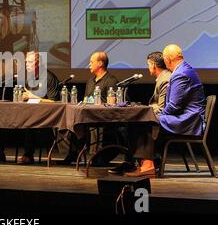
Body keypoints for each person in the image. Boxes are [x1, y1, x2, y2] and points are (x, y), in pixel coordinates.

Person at [125, 44, 205, 176]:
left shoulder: (181, 74)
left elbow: (174, 106)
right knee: (148, 119)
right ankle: (145, 163)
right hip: (186, 117)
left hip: (189, 121)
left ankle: (148, 165)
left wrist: (157, 115)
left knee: (149, 120)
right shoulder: (183, 70)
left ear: (168, 59)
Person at [0, 51, 60, 164]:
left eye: (29, 62)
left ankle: (28, 155)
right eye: (26, 62)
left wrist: (33, 97)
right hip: (27, 111)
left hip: (44, 116)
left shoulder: (49, 78)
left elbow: (55, 102)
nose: (26, 64)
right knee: (1, 118)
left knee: (29, 121)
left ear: (38, 63)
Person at [108, 51, 171, 175]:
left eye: (148, 64)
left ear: (153, 65)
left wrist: (146, 109)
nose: (148, 68)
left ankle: (143, 163)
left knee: (137, 124)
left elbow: (162, 107)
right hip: (160, 115)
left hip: (166, 119)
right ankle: (133, 162)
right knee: (128, 125)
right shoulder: (162, 77)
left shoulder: (165, 79)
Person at [56, 52, 118, 165]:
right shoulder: (90, 81)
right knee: (70, 119)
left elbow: (112, 104)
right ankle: (74, 153)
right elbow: (86, 100)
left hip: (102, 118)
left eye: (91, 62)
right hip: (87, 115)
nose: (89, 64)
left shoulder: (111, 81)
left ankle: (97, 155)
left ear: (100, 63)